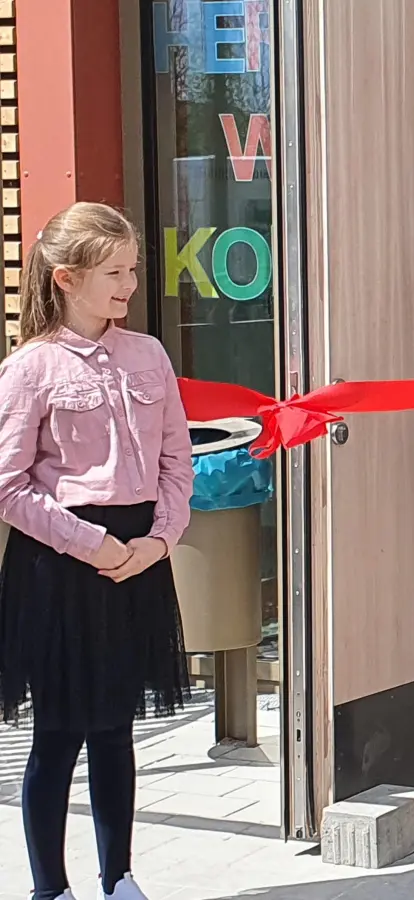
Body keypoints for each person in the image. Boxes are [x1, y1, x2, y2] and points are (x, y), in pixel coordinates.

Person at [0, 202, 194, 900]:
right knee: (58, 733)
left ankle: (120, 879)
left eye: (134, 269)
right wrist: (92, 545)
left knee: (117, 727)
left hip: (137, 559)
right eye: (114, 272)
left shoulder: (149, 354)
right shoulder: (30, 369)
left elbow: (179, 460)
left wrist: (158, 540)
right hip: (60, 568)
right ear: (66, 278)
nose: (129, 285)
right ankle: (50, 888)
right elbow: (8, 485)